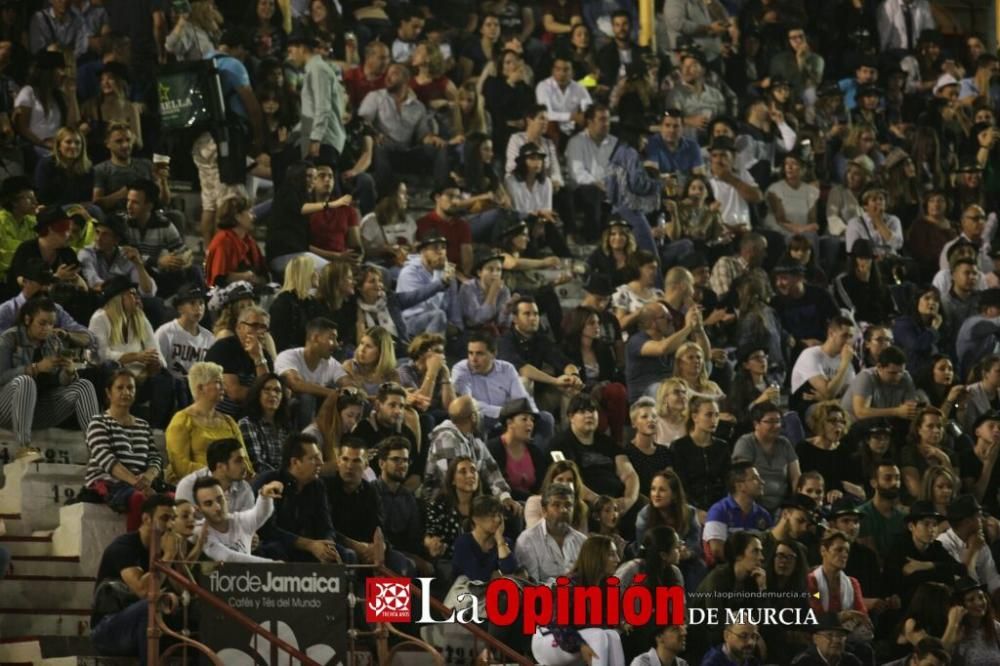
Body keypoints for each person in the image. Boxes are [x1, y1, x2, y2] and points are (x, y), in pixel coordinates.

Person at [0, 296, 100, 458]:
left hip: (37, 410)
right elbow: (1, 377)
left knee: (83, 385)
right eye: (42, 323)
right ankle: (24, 447)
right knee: (26, 381)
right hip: (6, 409)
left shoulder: (53, 342)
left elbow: (58, 383)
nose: (47, 328)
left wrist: (68, 372)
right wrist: (35, 368)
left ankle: (98, 451)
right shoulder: (9, 338)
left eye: (51, 324)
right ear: (27, 319)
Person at [90, 495, 179, 663]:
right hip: (108, 628)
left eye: (173, 519)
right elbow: (144, 591)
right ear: (146, 519)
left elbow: (184, 590)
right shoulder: (123, 547)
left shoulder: (166, 545)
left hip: (145, 626)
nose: (170, 525)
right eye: (165, 518)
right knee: (149, 607)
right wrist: (168, 556)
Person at [252, 432, 353, 563]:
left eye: (320, 457)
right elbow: (268, 530)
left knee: (347, 555)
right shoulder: (269, 482)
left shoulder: (317, 485)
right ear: (295, 462)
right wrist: (309, 545)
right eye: (314, 458)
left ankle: (360, 583)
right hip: (280, 544)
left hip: (310, 545)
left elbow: (326, 526)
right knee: (274, 550)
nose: (320, 463)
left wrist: (328, 546)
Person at [89, 275, 173, 428]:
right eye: (132, 294)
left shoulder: (140, 318)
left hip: (141, 376)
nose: (137, 298)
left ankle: (156, 427)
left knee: (165, 378)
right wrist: (136, 357)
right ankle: (117, 420)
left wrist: (154, 364)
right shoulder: (100, 318)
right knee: (110, 366)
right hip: (111, 377)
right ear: (118, 298)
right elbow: (101, 355)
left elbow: (157, 352)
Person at [531, 534, 626, 666]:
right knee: (599, 635)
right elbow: (558, 625)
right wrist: (580, 644)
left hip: (580, 640)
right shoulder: (571, 584)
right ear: (596, 557)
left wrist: (621, 622)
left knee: (612, 635)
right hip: (549, 639)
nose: (618, 559)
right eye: (611, 554)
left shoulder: (606, 587)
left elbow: (605, 623)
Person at [84, 369, 161, 531]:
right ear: (108, 393)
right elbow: (107, 460)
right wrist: (136, 483)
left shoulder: (143, 425)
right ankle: (133, 546)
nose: (126, 392)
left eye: (130, 388)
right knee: (139, 498)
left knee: (170, 499)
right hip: (110, 483)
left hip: (139, 482)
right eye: (120, 388)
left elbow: (155, 458)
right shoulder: (99, 422)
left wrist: (148, 477)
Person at [358, 62, 450, 195]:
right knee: (379, 147)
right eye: (387, 74)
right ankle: (386, 196)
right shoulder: (375, 97)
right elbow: (362, 122)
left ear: (406, 79)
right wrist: (374, 133)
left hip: (407, 153)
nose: (387, 78)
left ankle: (442, 194)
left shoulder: (418, 107)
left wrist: (432, 138)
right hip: (384, 150)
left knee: (439, 148)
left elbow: (422, 135)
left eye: (394, 74)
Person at [325, 438, 414, 574]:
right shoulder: (325, 487)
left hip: (366, 548)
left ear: (366, 465)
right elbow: (325, 528)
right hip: (338, 545)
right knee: (350, 555)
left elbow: (378, 527)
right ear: (338, 462)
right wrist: (357, 546)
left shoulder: (370, 491)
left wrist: (378, 547)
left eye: (356, 461)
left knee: (399, 561)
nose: (349, 466)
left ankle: (381, 596)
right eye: (345, 459)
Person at [452, 332, 553, 440]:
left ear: (494, 354)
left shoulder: (507, 368)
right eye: (470, 353)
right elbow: (469, 404)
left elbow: (521, 398)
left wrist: (531, 416)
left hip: (509, 418)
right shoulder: (461, 369)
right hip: (481, 418)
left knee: (545, 419)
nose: (473, 359)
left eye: (479, 354)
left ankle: (535, 453)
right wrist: (504, 412)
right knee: (480, 419)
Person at [165, 361, 249, 483]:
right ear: (200, 388)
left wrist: (247, 474)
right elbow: (180, 465)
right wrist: (219, 473)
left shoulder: (229, 421)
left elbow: (244, 458)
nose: (224, 387)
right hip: (196, 484)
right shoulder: (182, 420)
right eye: (218, 382)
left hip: (232, 483)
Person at [884, 500, 966, 606]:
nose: (932, 529)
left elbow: (961, 569)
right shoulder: (899, 548)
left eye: (935, 524)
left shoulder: (936, 547)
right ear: (911, 527)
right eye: (926, 524)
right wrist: (936, 575)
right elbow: (894, 582)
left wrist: (926, 565)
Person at [274, 317, 345, 429]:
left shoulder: (331, 363)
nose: (336, 344)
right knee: (306, 397)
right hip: (286, 410)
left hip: (317, 413)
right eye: (332, 338)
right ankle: (303, 440)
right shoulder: (288, 356)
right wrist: (333, 393)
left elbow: (347, 382)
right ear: (315, 338)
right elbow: (295, 384)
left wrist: (352, 389)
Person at [287, 30, 345, 164]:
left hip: (323, 141)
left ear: (302, 49)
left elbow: (323, 107)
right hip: (316, 139)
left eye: (291, 51)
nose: (289, 57)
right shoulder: (314, 69)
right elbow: (310, 114)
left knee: (323, 183)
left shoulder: (318, 69)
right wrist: (292, 137)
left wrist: (316, 139)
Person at [205, 305, 274, 418]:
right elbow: (234, 393)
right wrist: (262, 394)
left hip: (248, 417)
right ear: (239, 327)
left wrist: (258, 358)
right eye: (254, 325)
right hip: (217, 416)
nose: (260, 331)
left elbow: (269, 388)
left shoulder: (264, 356)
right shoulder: (224, 348)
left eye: (264, 327)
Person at [193, 475, 281, 563]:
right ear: (199, 509)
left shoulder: (239, 520)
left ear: (226, 497)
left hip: (250, 576)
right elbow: (227, 557)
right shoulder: (200, 531)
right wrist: (271, 564)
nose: (218, 507)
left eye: (220, 499)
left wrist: (265, 496)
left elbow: (261, 513)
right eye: (208, 504)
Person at [733, 402, 802, 512]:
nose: (776, 426)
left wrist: (794, 503)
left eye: (778, 421)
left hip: (782, 505)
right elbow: (743, 479)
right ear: (756, 424)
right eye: (770, 421)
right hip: (754, 505)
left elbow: (796, 477)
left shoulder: (784, 443)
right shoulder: (746, 443)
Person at [516, 482, 588, 585]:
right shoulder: (528, 540)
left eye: (568, 505)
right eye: (556, 505)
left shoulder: (582, 541)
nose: (563, 510)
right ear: (544, 510)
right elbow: (529, 585)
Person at [702, 462, 773, 565]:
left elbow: (769, 547)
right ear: (740, 486)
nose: (762, 482)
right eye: (755, 478)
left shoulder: (763, 515)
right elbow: (717, 550)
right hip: (724, 570)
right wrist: (743, 565)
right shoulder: (719, 511)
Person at [396, 228, 461, 337]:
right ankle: (429, 352)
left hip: (439, 323)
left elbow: (454, 307)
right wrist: (439, 275)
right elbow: (431, 307)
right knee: (438, 315)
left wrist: (458, 327)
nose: (440, 252)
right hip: (410, 323)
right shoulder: (409, 272)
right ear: (423, 251)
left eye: (443, 248)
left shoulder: (448, 273)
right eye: (435, 248)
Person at [154, 283, 213, 403]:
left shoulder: (209, 337)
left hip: (198, 392)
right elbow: (158, 369)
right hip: (171, 392)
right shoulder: (165, 332)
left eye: (201, 303)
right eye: (192, 303)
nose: (198, 308)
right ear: (180, 308)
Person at [671, 396, 730, 510]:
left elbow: (727, 482)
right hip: (688, 508)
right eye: (709, 415)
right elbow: (681, 485)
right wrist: (695, 510)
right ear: (695, 417)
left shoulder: (722, 447)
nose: (714, 420)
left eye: (717, 415)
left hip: (719, 507)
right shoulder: (679, 447)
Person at [937, 494, 1000, 594]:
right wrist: (972, 552)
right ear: (967, 522)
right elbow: (961, 586)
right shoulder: (943, 545)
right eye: (979, 516)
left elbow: (993, 581)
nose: (983, 520)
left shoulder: (979, 541)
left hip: (980, 601)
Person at [174, 437, 253, 513]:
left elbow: (247, 525)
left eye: (244, 460)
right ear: (220, 466)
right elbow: (182, 523)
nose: (245, 466)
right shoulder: (188, 487)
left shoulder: (244, 489)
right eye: (238, 461)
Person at [841, 346, 919, 423]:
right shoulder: (866, 377)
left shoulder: (905, 377)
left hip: (881, 425)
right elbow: (861, 413)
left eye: (900, 372)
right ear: (879, 367)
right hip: (852, 424)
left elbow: (910, 409)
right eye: (892, 373)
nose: (897, 377)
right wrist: (896, 411)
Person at [204, 194, 267, 288]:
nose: (253, 216)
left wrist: (256, 279)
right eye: (249, 212)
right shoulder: (223, 240)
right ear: (238, 217)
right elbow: (218, 279)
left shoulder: (249, 240)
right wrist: (245, 277)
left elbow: (262, 272)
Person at [452, 494, 519, 581]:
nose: (497, 520)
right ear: (475, 518)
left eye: (499, 515)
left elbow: (511, 572)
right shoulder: (463, 543)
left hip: (498, 591)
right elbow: (477, 577)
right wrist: (497, 575)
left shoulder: (505, 542)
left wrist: (499, 541)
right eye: (492, 516)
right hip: (467, 592)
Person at [237, 373, 293, 475]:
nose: (273, 394)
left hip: (287, 478)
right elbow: (257, 463)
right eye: (267, 390)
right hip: (263, 481)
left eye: (277, 390)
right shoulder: (247, 423)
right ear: (257, 394)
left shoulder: (284, 426)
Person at [459, 248, 512, 334]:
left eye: (499, 270)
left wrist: (507, 311)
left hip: (495, 334)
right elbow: (476, 320)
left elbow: (503, 324)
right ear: (479, 272)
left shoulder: (504, 290)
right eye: (490, 269)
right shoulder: (468, 288)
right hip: (471, 334)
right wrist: (493, 293)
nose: (495, 274)